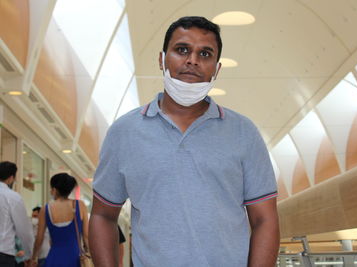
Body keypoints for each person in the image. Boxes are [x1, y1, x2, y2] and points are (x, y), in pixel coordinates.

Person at [90, 16, 280, 267]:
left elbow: (264, 220)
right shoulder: (124, 132)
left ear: (217, 68)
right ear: (161, 59)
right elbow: (103, 215)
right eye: (182, 50)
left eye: (205, 54)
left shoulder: (244, 132)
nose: (192, 60)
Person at [30, 173, 89, 267]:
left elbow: (39, 239)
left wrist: (34, 258)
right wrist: (88, 253)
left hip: (53, 258)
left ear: (54, 190)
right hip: (74, 258)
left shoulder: (46, 209)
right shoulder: (80, 206)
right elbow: (86, 236)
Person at [0, 161, 33, 267]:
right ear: (11, 178)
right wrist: (28, 255)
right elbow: (24, 230)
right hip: (3, 253)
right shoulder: (13, 197)